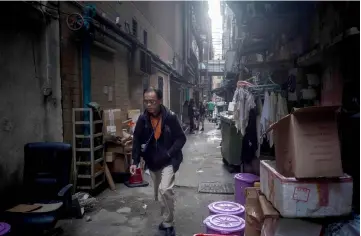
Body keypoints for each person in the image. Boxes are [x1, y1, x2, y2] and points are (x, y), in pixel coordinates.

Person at [130, 87, 186, 236]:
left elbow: (181, 138)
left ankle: (168, 223)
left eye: (152, 102)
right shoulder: (143, 119)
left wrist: (169, 154)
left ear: (159, 101)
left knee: (165, 190)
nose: (149, 105)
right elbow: (136, 139)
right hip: (153, 162)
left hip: (168, 160)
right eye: (146, 102)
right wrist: (134, 161)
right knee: (159, 195)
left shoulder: (170, 117)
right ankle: (166, 219)